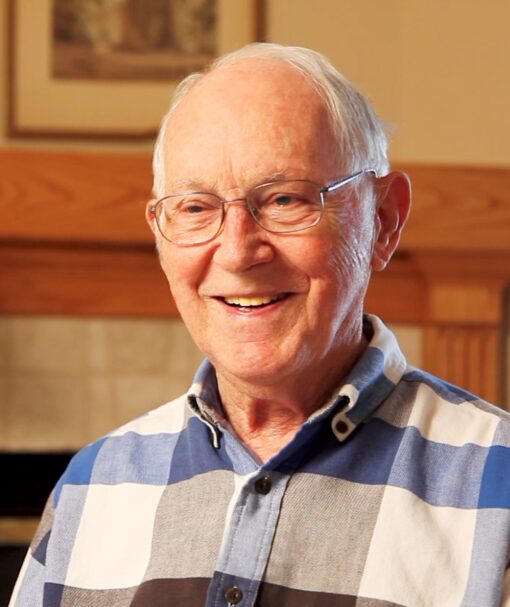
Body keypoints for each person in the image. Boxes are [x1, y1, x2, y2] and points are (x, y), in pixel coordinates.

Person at [9, 43, 510, 607]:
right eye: (196, 207)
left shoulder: (500, 487)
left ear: (384, 220)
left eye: (285, 200)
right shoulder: (90, 486)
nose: (237, 252)